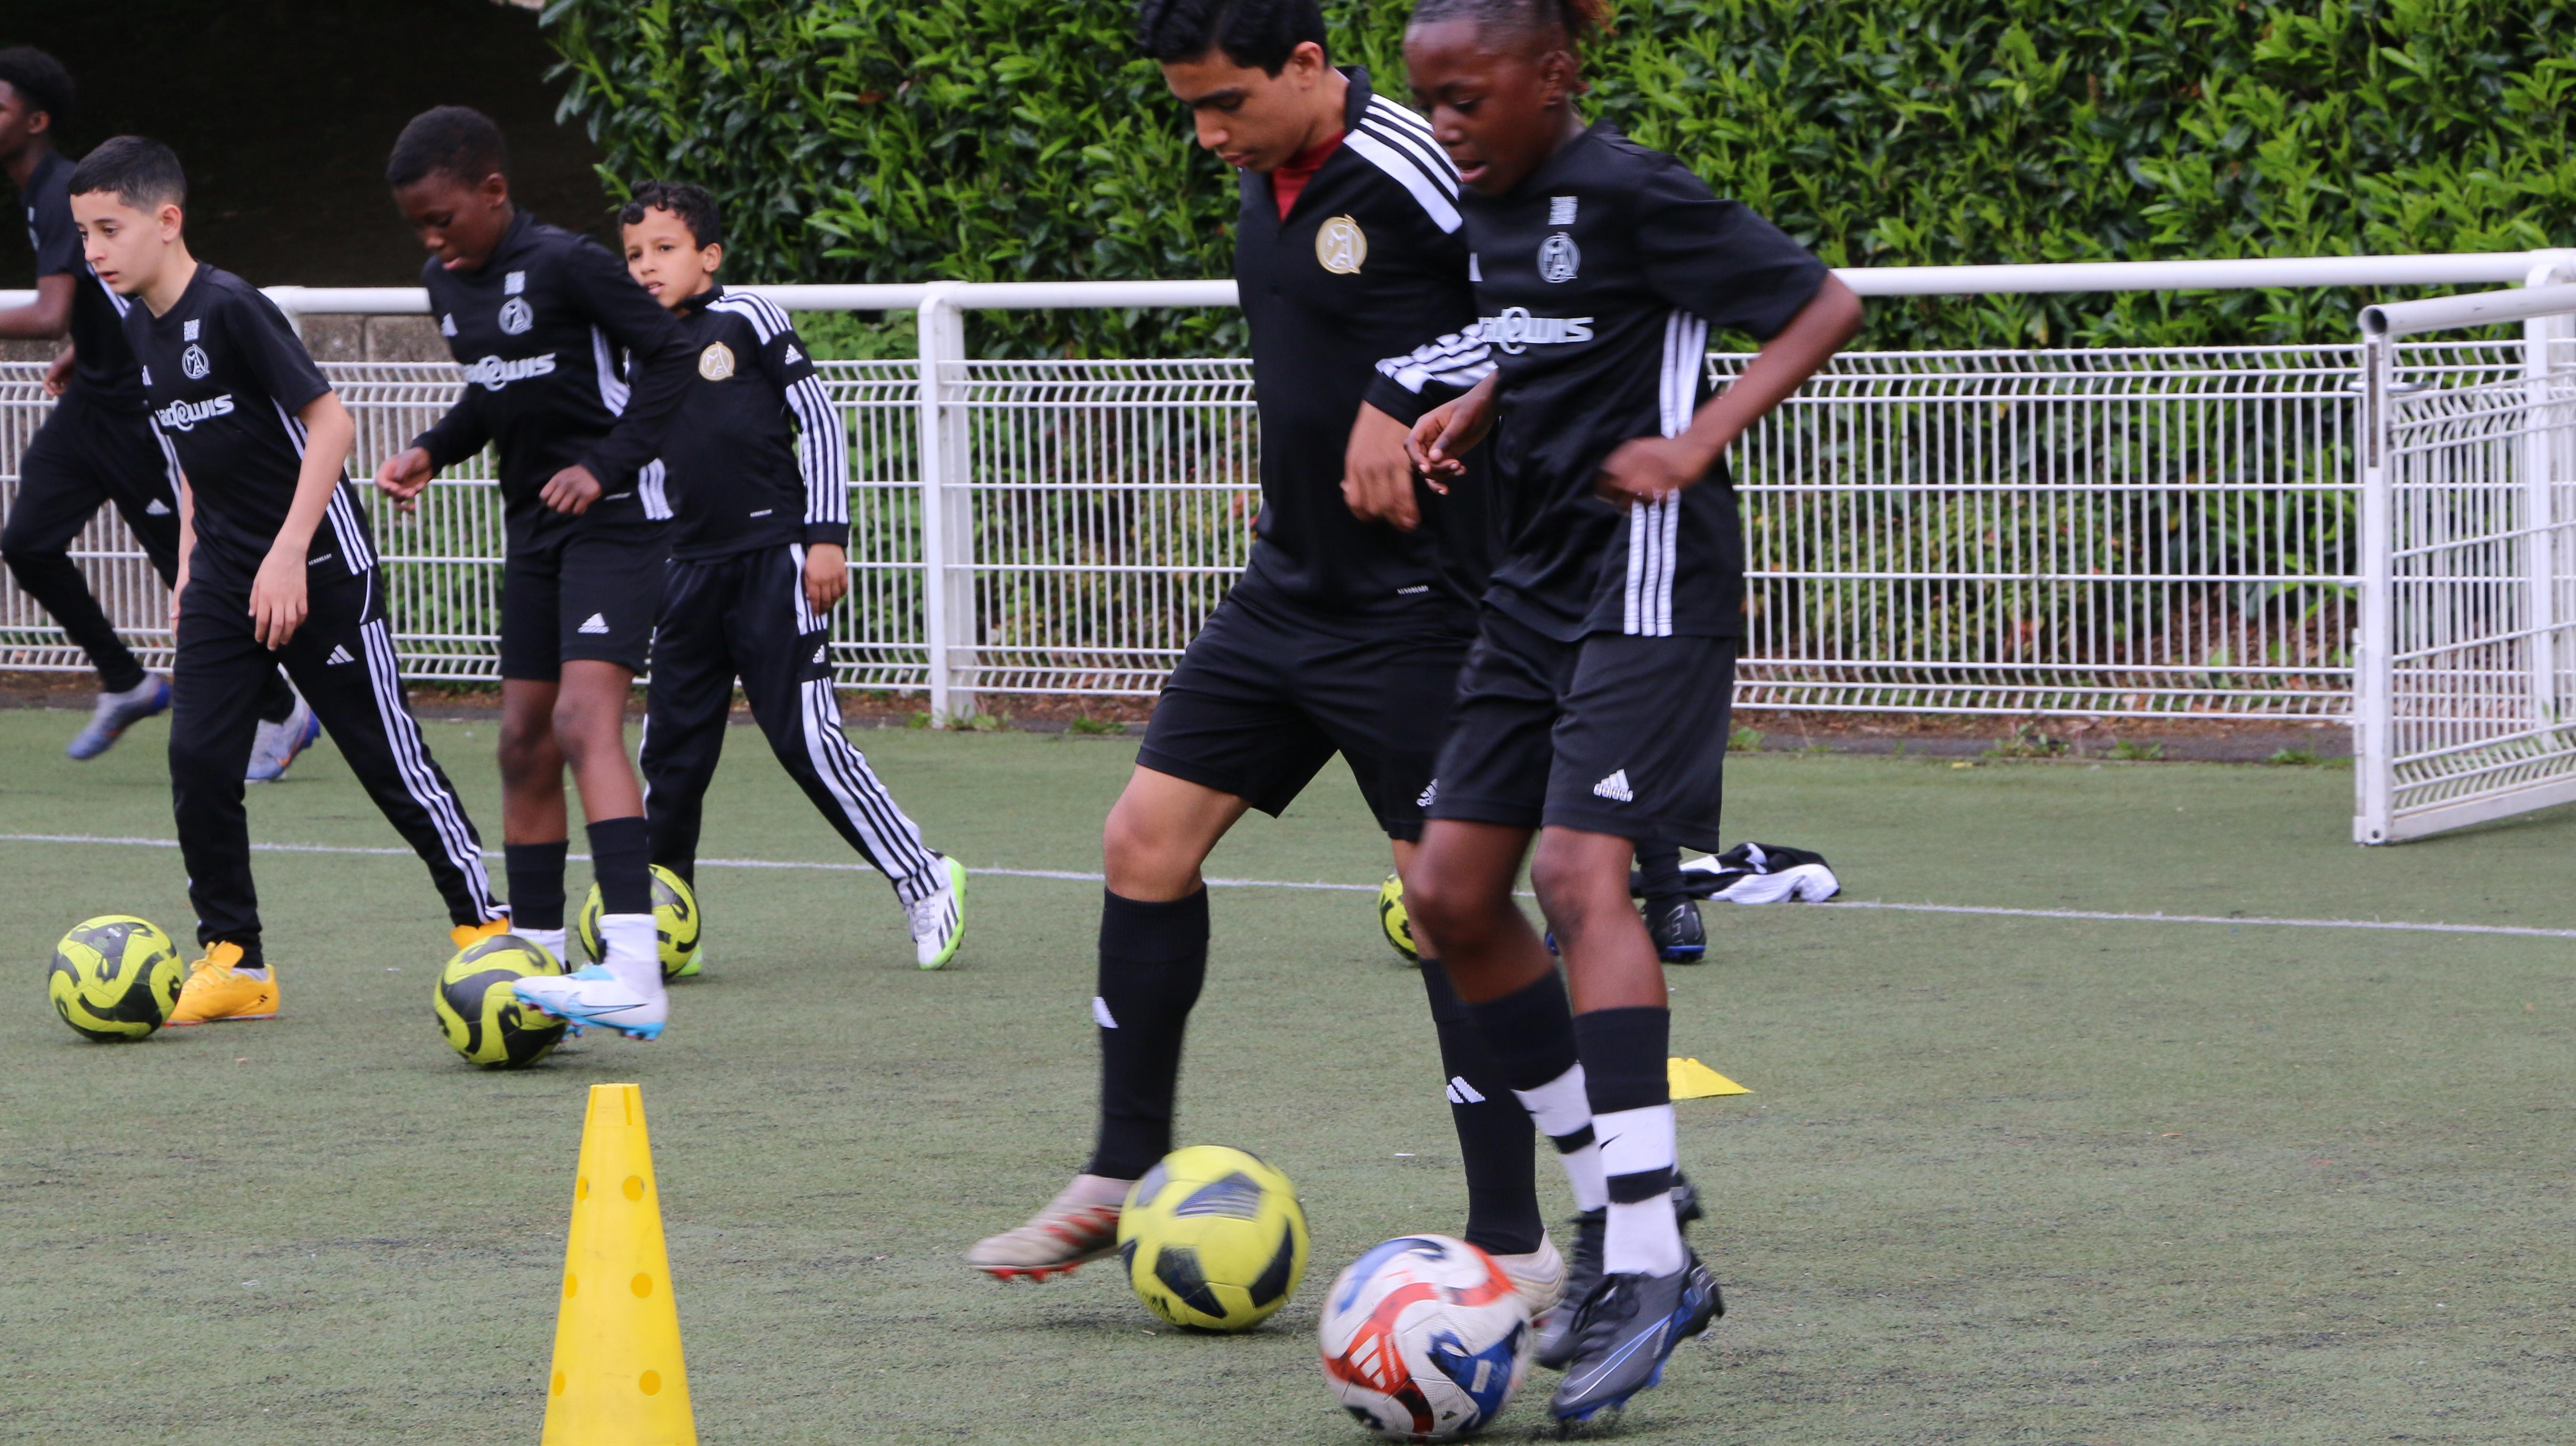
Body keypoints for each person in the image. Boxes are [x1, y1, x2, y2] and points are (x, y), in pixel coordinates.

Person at [966, 0, 1567, 1314]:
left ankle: (1514, 1242)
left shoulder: (1417, 160)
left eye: (1226, 102)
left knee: (1449, 904)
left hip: (1423, 605)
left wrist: (1403, 396)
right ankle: (1121, 1170)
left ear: (1306, 65)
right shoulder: (1263, 169)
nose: (1207, 134)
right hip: (1285, 591)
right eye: (1189, 108)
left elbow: (1545, 315)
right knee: (1143, 842)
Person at [1367, 0, 1864, 1422]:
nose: (1445, 125)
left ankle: (1644, 1258)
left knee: (1580, 874)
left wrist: (1697, 441)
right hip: (1535, 585)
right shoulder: (1494, 201)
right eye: (1429, 100)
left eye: (1466, 98)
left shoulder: (1637, 190)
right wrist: (1481, 400)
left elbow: (1824, 306)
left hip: (1650, 583)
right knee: (1448, 894)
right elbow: (1557, 334)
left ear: (1553, 78)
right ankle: (1621, 1208)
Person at [70, 137, 509, 1024]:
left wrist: (286, 554)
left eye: (109, 230)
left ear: (167, 220)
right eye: (84, 234)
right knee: (198, 760)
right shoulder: (137, 325)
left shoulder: (233, 307)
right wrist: (190, 564)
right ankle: (237, 960)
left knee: (386, 758)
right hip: (225, 574)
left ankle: (484, 925)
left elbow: (332, 425)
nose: (94, 252)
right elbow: (192, 455)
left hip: (318, 565)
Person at [372, 107, 694, 1041]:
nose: (433, 241)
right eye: (418, 227)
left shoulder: (568, 263)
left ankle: (633, 970)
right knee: (520, 741)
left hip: (616, 519)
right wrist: (433, 449)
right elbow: (495, 388)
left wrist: (606, 465)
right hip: (536, 529)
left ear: (494, 192)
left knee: (582, 720)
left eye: (443, 220)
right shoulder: (445, 283)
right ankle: (543, 958)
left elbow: (672, 355)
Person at [615, 181, 965, 969]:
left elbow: (820, 420)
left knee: (806, 740)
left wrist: (825, 539)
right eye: (634, 255)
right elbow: (636, 463)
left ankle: (925, 877)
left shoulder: (748, 318)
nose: (647, 267)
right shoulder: (634, 347)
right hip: (685, 575)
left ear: (708, 256)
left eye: (664, 249)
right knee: (669, 755)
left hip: (774, 561)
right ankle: (668, 924)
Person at [0, 47, 313, 777]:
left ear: (36, 121)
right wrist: (85, 347)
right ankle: (127, 681)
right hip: (92, 403)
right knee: (27, 542)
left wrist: (72, 335)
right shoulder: (44, 196)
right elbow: (93, 300)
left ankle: (282, 710)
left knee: (189, 568)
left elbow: (49, 311)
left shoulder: (61, 191)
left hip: (138, 412)